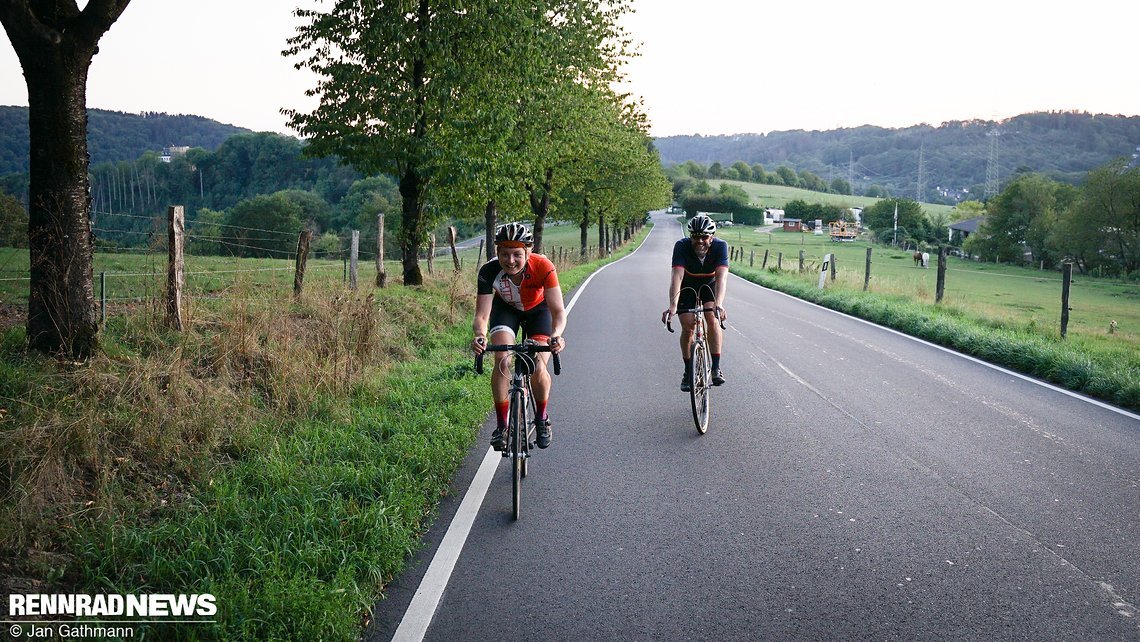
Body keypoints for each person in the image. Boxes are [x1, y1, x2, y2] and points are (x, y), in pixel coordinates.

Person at [471, 222, 566, 450]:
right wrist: (480, 336)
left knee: (538, 366)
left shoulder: (543, 266)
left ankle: (542, 419)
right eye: (504, 254)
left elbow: (558, 311)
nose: (510, 260)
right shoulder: (488, 271)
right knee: (502, 358)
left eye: (516, 254)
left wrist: (556, 335)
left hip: (539, 311)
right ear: (497, 253)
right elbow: (482, 315)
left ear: (528, 252)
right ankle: (502, 426)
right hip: (507, 311)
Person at [661, 214, 729, 392]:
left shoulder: (721, 247)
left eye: (704, 237)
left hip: (709, 284)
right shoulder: (682, 246)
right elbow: (677, 276)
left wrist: (719, 303)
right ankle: (687, 370)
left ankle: (715, 367)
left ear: (711, 237)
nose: (699, 241)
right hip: (687, 285)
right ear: (690, 236)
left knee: (711, 317)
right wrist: (673, 306)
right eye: (695, 237)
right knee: (688, 325)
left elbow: (721, 278)